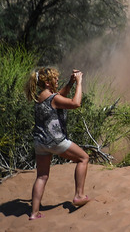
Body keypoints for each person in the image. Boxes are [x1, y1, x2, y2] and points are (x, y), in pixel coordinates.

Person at [25, 67, 91, 220]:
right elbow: (76, 103)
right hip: (55, 141)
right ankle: (79, 195)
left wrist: (70, 83)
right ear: (47, 83)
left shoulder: (40, 96)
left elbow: (60, 95)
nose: (56, 80)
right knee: (83, 158)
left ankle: (34, 213)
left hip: (40, 141)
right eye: (54, 79)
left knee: (41, 176)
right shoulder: (53, 98)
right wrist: (80, 83)